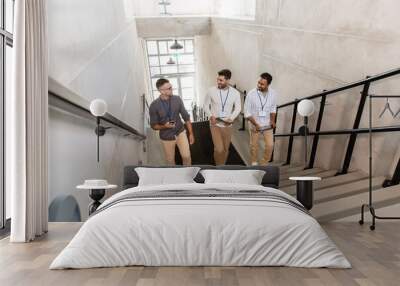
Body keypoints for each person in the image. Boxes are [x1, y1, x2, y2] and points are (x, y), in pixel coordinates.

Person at [149, 78, 195, 165]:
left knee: (186, 156)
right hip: (166, 137)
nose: (172, 89)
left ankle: (188, 174)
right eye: (169, 88)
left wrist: (191, 133)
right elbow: (153, 125)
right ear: (161, 91)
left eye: (171, 87)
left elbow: (186, 117)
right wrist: (165, 126)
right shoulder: (154, 106)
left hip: (180, 132)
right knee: (170, 161)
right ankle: (174, 177)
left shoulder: (177, 99)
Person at [203, 69, 241, 165]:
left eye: (221, 80)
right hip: (214, 123)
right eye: (218, 79)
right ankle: (218, 167)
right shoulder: (211, 90)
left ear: (228, 80)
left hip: (227, 125)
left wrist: (231, 118)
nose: (218, 82)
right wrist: (211, 116)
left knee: (225, 149)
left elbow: (238, 108)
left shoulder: (235, 93)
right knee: (219, 149)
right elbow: (205, 105)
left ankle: (222, 166)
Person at [244, 72, 277, 166]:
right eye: (258, 82)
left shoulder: (273, 94)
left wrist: (272, 120)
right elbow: (247, 112)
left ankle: (264, 163)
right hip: (254, 122)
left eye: (262, 84)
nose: (259, 85)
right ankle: (254, 161)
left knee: (270, 145)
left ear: (268, 84)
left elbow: (273, 108)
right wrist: (256, 124)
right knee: (254, 145)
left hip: (267, 124)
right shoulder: (251, 94)